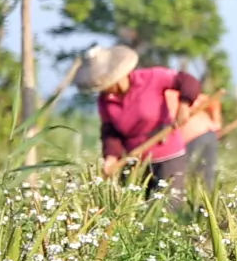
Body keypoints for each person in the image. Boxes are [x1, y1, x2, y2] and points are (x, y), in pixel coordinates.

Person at [75, 44, 202, 206]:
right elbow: (110, 131)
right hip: (135, 160)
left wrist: (184, 105)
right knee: (137, 208)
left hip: (167, 154)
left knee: (168, 206)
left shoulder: (151, 78)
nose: (104, 89)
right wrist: (111, 157)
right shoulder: (105, 101)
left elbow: (187, 81)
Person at [165, 86, 222, 192]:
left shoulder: (168, 95)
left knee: (184, 171)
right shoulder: (186, 93)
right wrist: (217, 124)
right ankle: (203, 202)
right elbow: (213, 102)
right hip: (209, 132)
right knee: (206, 174)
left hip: (191, 136)